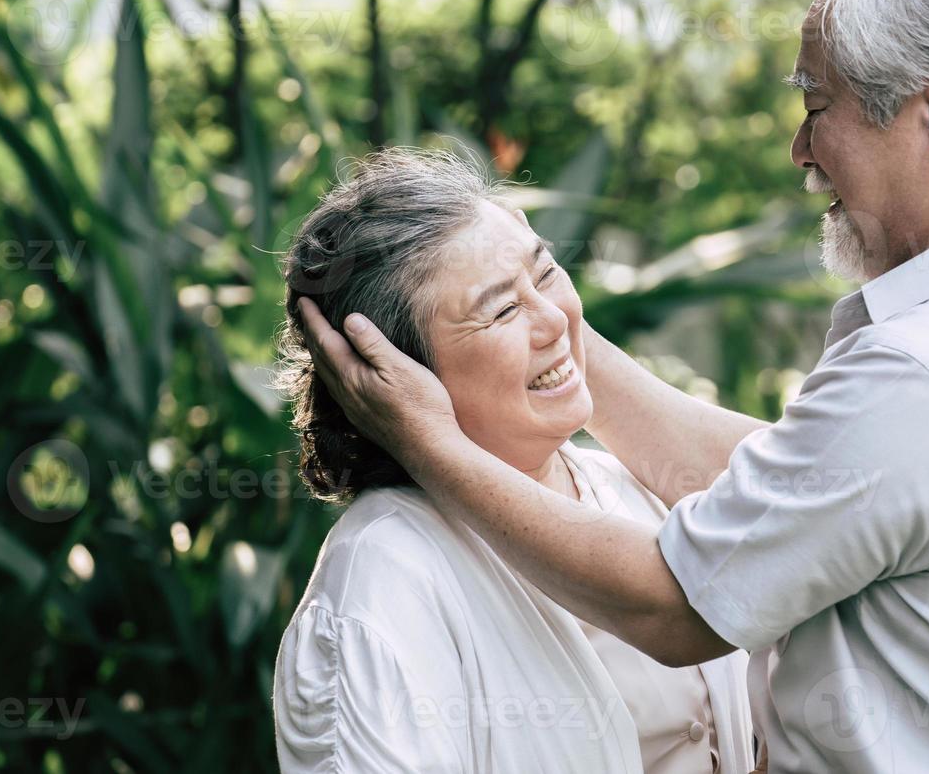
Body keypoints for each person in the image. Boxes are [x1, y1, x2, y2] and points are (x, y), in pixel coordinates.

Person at [298, 0, 929, 772]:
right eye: (502, 304)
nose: (802, 150)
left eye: (820, 105)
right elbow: (816, 481)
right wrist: (552, 324)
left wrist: (432, 435)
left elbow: (676, 602)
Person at [271, 148, 755, 773]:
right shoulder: (382, 581)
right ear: (396, 372)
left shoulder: (628, 485)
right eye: (501, 310)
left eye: (547, 272)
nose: (554, 318)